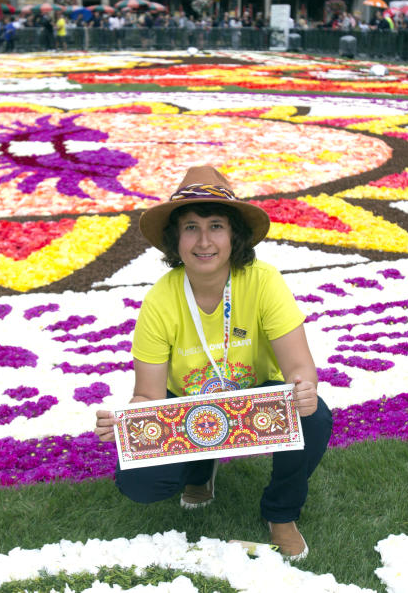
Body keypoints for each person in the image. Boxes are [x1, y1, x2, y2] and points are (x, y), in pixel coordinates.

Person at [94, 166, 333, 562]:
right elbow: (148, 395)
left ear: (234, 234)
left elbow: (300, 368)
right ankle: (200, 468)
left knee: (314, 416)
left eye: (216, 225)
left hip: (257, 397)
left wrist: (303, 387)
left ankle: (281, 513)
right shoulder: (159, 299)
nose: (204, 240)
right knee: (140, 482)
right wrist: (127, 425)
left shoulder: (263, 281)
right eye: (190, 227)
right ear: (175, 238)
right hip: (187, 406)